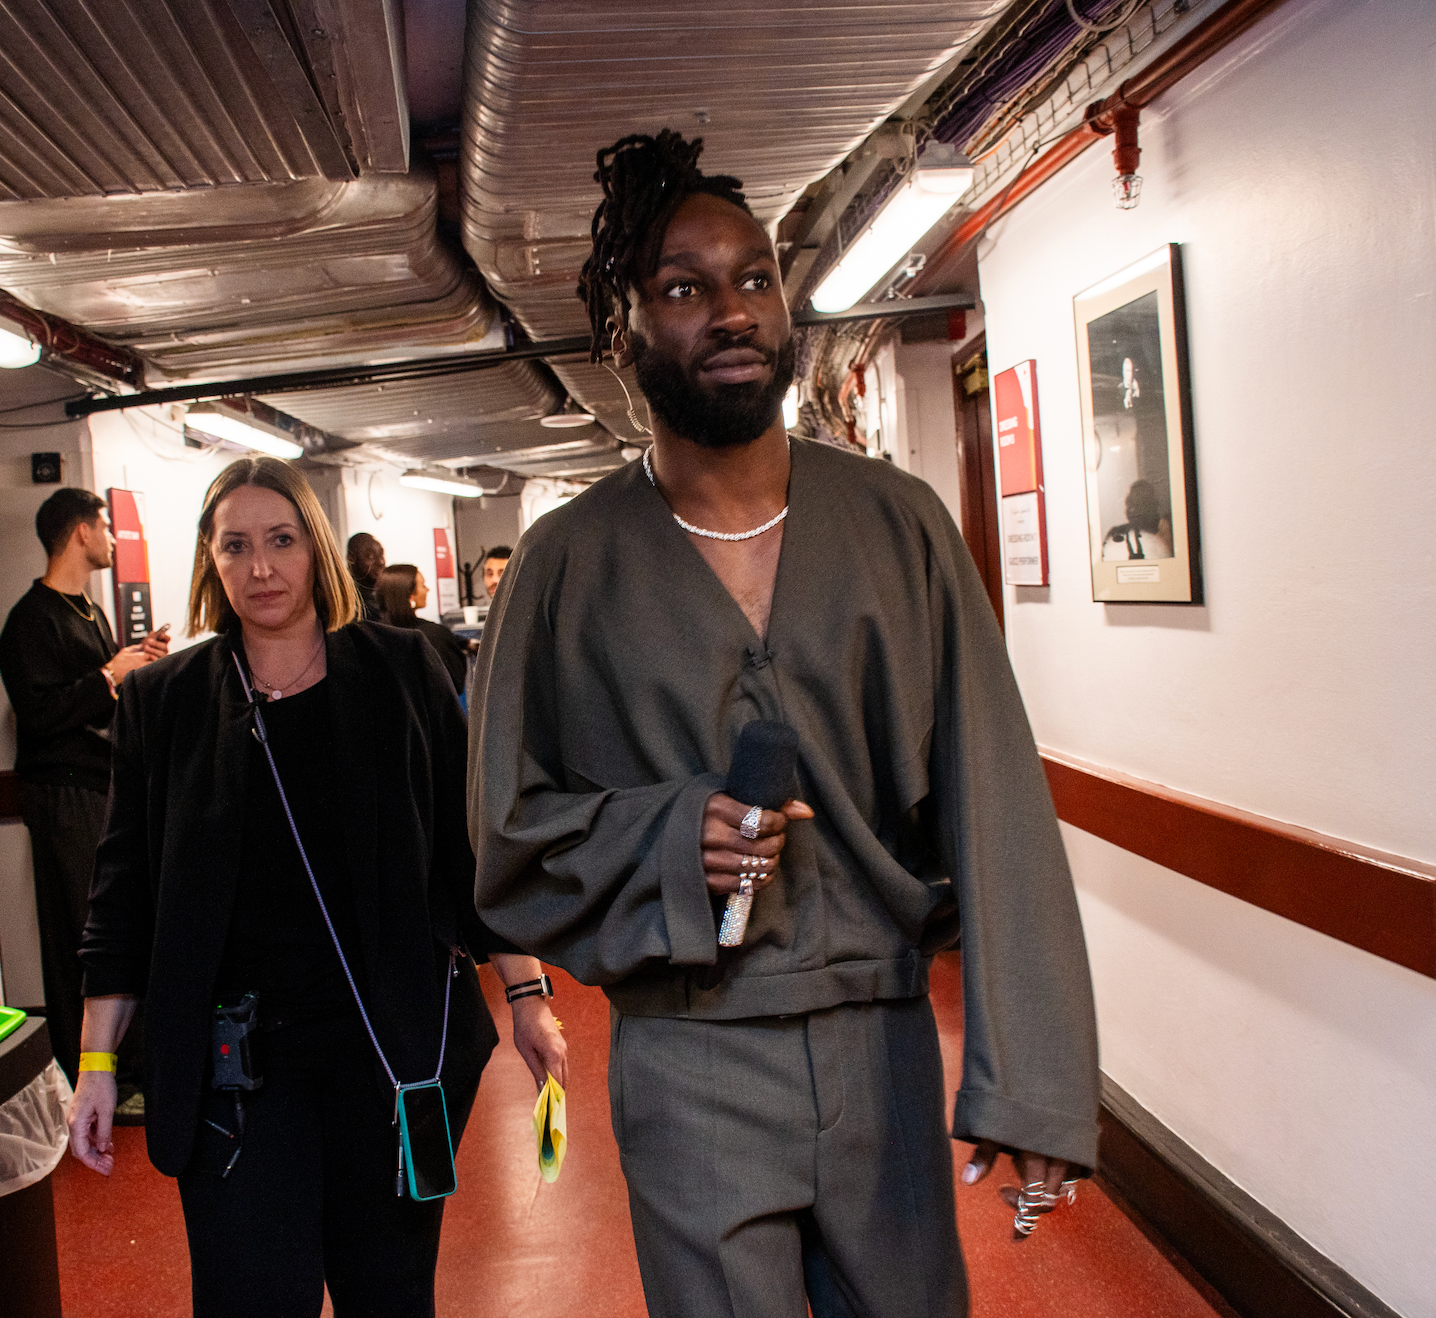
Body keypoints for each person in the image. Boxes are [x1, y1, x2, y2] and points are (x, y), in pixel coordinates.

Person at [468, 130, 1097, 1318]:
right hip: (689, 1050)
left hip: (880, 1041)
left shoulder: (896, 527)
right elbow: (507, 836)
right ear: (626, 334)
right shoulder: (563, 570)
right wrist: (667, 838)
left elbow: (995, 794)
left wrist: (1035, 1078)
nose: (730, 311)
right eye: (682, 287)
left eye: (752, 277)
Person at [71, 458, 565, 1318]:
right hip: (239, 1085)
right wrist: (95, 1063)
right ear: (210, 563)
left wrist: (528, 995)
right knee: (251, 1299)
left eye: (281, 541)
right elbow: (123, 898)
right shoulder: (167, 702)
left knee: (390, 1296)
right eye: (236, 546)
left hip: (385, 1061)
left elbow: (465, 855)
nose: (261, 568)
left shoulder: (401, 673)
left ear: (317, 551)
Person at [0, 487, 168, 1112]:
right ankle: (94, 1079)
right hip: (62, 792)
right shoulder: (29, 621)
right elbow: (41, 715)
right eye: (105, 527)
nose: (113, 539)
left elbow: (105, 693)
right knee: (81, 932)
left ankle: (133, 1066)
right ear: (78, 534)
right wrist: (107, 677)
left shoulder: (88, 612)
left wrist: (137, 669)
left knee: (117, 920)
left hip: (102, 786)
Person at [377, 563, 470, 698]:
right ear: (410, 596)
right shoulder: (433, 636)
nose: (427, 590)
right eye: (423, 585)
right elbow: (454, 683)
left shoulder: (373, 636)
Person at [1101, 479, 1173, 560]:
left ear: (1152, 506)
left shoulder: (1162, 527)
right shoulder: (1117, 532)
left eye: (1140, 504)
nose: (1132, 510)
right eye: (1130, 504)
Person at [346, 531, 385, 620]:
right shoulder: (346, 602)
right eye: (370, 556)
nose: (380, 562)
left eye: (381, 555)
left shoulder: (385, 597)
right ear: (351, 559)